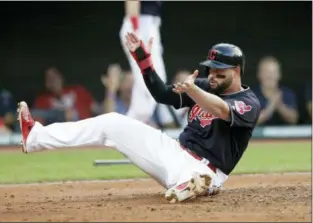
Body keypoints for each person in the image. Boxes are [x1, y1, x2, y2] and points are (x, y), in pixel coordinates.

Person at [17, 33, 261, 203]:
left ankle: (196, 186)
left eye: (219, 71)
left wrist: (194, 90)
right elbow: (162, 94)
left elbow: (220, 110)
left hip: (206, 168)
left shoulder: (248, 103)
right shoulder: (204, 85)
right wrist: (144, 62)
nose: (212, 75)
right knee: (112, 122)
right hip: (173, 151)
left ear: (236, 71)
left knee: (198, 178)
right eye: (210, 69)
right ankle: (35, 137)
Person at [119, 0, 167, 123]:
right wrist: (136, 31)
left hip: (149, 25)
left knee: (155, 81)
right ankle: (128, 125)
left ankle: (131, 124)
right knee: (150, 81)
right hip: (139, 25)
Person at [252, 56, 298, 126]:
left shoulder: (287, 93)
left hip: (285, 135)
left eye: (274, 72)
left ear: (279, 75)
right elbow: (250, 121)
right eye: (267, 72)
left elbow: (294, 119)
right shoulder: (251, 95)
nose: (270, 76)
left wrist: (280, 104)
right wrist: (271, 105)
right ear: (259, 75)